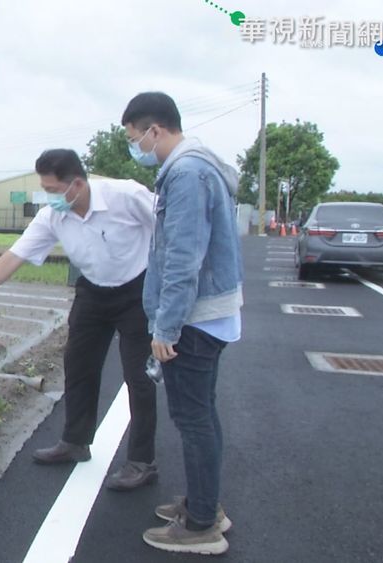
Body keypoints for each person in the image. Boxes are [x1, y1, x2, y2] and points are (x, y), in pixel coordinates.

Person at [0, 148, 159, 491]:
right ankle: (75, 442)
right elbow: (15, 255)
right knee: (78, 365)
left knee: (138, 376)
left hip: (137, 291)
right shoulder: (52, 216)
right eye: (46, 190)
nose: (50, 198)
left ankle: (141, 461)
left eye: (54, 190)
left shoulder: (127, 195)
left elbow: (171, 229)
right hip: (93, 291)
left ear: (77, 183)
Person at [121, 92, 243, 555]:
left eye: (136, 139)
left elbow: (183, 259)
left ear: (155, 130)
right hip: (209, 314)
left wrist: (165, 329)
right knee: (202, 415)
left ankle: (200, 526)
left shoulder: (187, 174)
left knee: (193, 420)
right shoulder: (197, 167)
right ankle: (204, 505)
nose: (137, 147)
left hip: (193, 320)